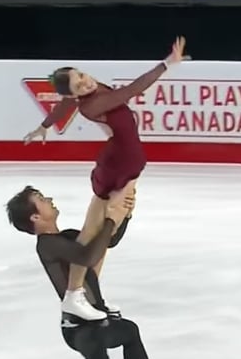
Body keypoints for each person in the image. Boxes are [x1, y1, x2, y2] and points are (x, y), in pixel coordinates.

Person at [23, 36, 188, 323]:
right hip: (120, 165)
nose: (85, 83)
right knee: (94, 234)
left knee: (99, 235)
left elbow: (63, 106)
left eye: (82, 76)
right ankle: (74, 297)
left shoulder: (85, 94)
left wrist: (43, 126)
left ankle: (88, 296)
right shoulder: (93, 105)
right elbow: (135, 89)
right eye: (78, 85)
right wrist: (167, 64)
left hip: (122, 161)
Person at [5, 184, 168, 359]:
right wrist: (110, 219)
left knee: (129, 331)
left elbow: (108, 242)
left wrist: (124, 214)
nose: (50, 199)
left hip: (98, 317)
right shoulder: (47, 246)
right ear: (35, 217)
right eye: (42, 199)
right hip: (77, 328)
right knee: (98, 355)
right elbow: (86, 255)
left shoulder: (68, 236)